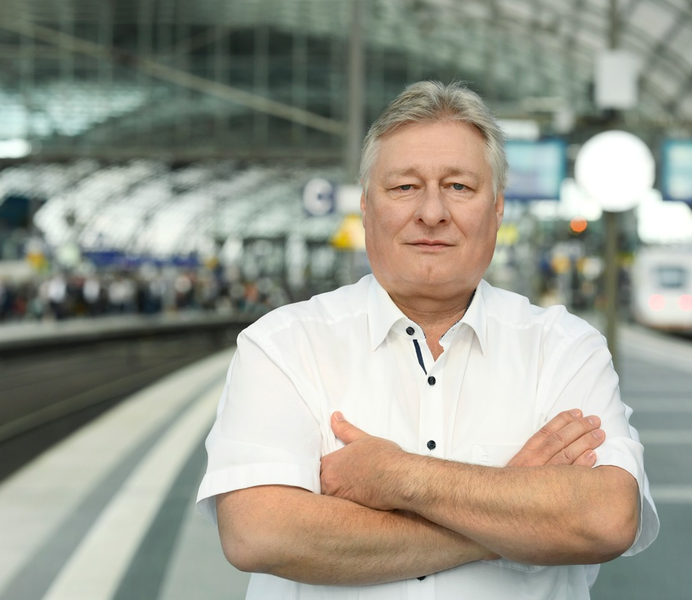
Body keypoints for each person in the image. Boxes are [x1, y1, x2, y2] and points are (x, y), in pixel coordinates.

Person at [197, 80, 659, 599]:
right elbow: (259, 533)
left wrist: (397, 477)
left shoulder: (566, 348)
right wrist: (510, 512)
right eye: (404, 187)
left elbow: (605, 518)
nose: (433, 212)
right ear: (367, 208)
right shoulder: (282, 345)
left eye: (459, 186)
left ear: (498, 208)